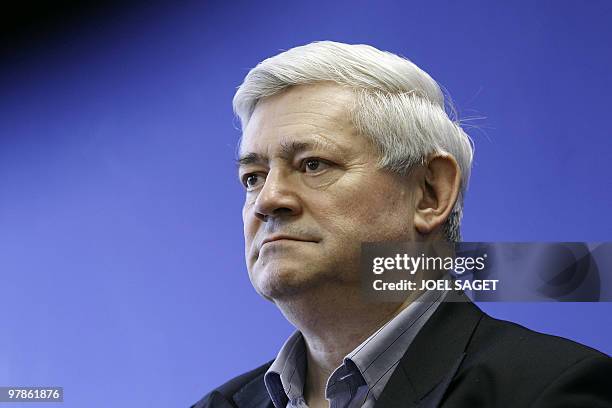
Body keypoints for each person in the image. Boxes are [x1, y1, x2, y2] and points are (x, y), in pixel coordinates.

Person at [192, 41, 611, 408]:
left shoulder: (551, 390)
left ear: (430, 193)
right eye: (253, 177)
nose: (267, 200)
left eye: (313, 164)